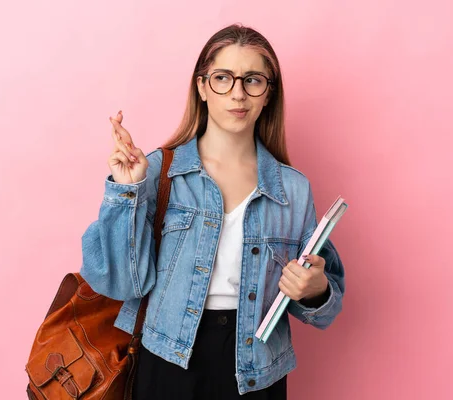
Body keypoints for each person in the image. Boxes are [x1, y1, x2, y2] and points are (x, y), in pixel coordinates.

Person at [80, 23, 345, 399]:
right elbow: (118, 282)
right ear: (202, 87)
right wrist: (128, 190)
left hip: (257, 369)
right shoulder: (157, 171)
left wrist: (315, 290)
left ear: (268, 94)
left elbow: (323, 306)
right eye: (223, 78)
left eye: (253, 80)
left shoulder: (294, 190)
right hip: (169, 359)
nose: (238, 93)